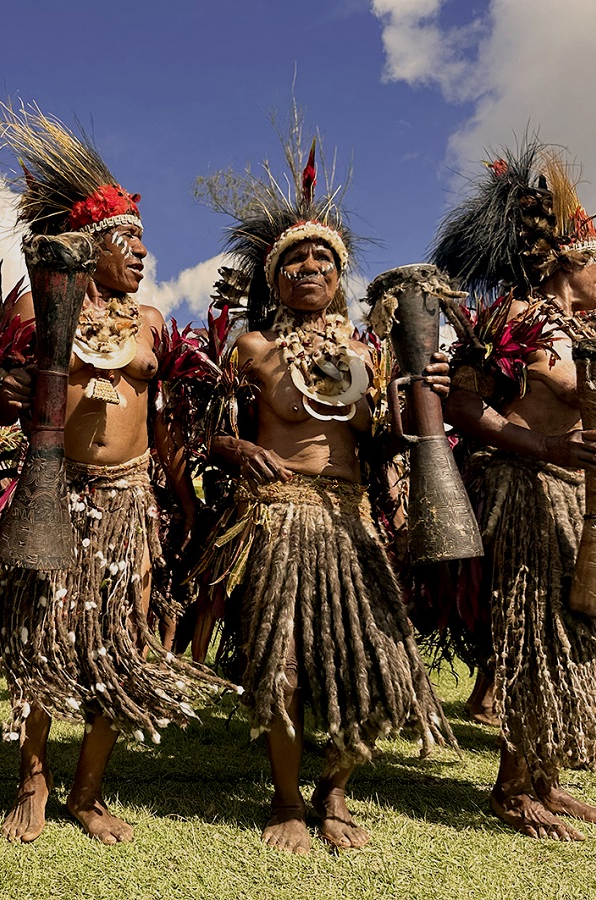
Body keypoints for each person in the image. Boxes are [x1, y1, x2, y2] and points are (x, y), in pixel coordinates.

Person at [198, 131, 455, 853]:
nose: (310, 268)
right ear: (274, 279)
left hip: (351, 519)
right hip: (279, 515)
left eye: (323, 260)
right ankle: (284, 801)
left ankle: (335, 794)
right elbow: (202, 435)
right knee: (280, 670)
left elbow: (385, 441)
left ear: (340, 279)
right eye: (295, 260)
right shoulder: (252, 350)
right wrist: (239, 446)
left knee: (365, 661)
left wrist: (418, 404)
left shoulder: (367, 352)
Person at [0, 104, 219, 846]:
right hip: (58, 491)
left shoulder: (151, 320)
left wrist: (180, 499)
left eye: (146, 243)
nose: (144, 254)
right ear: (91, 243)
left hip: (128, 497)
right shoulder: (38, 301)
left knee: (118, 644)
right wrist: (14, 387)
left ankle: (88, 792)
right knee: (40, 639)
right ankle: (33, 780)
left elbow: (162, 419)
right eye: (129, 240)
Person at [436, 140, 596, 841]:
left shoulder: (586, 330)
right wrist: (547, 446)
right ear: (563, 261)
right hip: (525, 491)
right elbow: (463, 409)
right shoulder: (511, 318)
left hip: (579, 497)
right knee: (534, 636)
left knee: (576, 635)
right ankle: (513, 790)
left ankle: (546, 778)